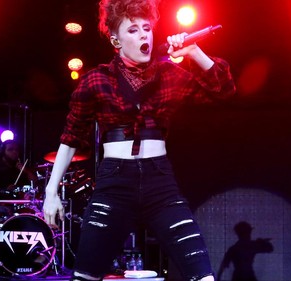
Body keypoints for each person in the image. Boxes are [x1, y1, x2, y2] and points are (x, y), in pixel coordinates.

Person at [42, 0, 236, 280]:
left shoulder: (170, 75)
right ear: (115, 40)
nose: (144, 34)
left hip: (160, 184)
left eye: (147, 28)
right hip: (115, 184)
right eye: (133, 30)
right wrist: (51, 192)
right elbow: (71, 137)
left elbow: (224, 90)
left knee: (202, 275)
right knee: (85, 276)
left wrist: (193, 50)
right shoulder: (97, 80)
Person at [0, 139, 38, 226]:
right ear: (2, 152)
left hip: (18, 204)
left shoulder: (20, 169)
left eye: (16, 150)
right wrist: (4, 190)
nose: (14, 152)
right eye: (10, 149)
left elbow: (35, 182)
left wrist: (26, 171)